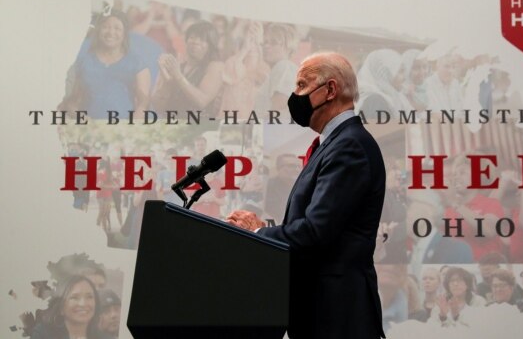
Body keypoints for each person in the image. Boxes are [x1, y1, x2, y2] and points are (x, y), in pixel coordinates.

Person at [226, 52, 386, 339]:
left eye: (302, 85)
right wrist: (267, 229)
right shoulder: (335, 144)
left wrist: (260, 232)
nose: (295, 95)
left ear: (331, 90)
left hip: (338, 318)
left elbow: (315, 232)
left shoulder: (349, 147)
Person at [60, 9, 151, 118]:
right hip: (88, 128)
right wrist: (84, 121)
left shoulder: (137, 63)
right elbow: (71, 102)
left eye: (117, 28)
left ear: (124, 33)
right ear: (98, 31)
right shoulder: (84, 61)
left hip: (123, 128)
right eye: (105, 27)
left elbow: (143, 104)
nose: (111, 32)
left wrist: (129, 128)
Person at [152, 20, 225, 115]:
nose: (196, 42)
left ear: (211, 45)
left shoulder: (216, 66)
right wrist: (166, 82)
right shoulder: (176, 65)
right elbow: (158, 108)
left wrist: (178, 76)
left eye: (202, 39)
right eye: (192, 37)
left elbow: (202, 101)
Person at [31, 275, 110, 339]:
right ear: (61, 307)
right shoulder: (43, 334)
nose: (83, 303)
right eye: (74, 297)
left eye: (89, 297)